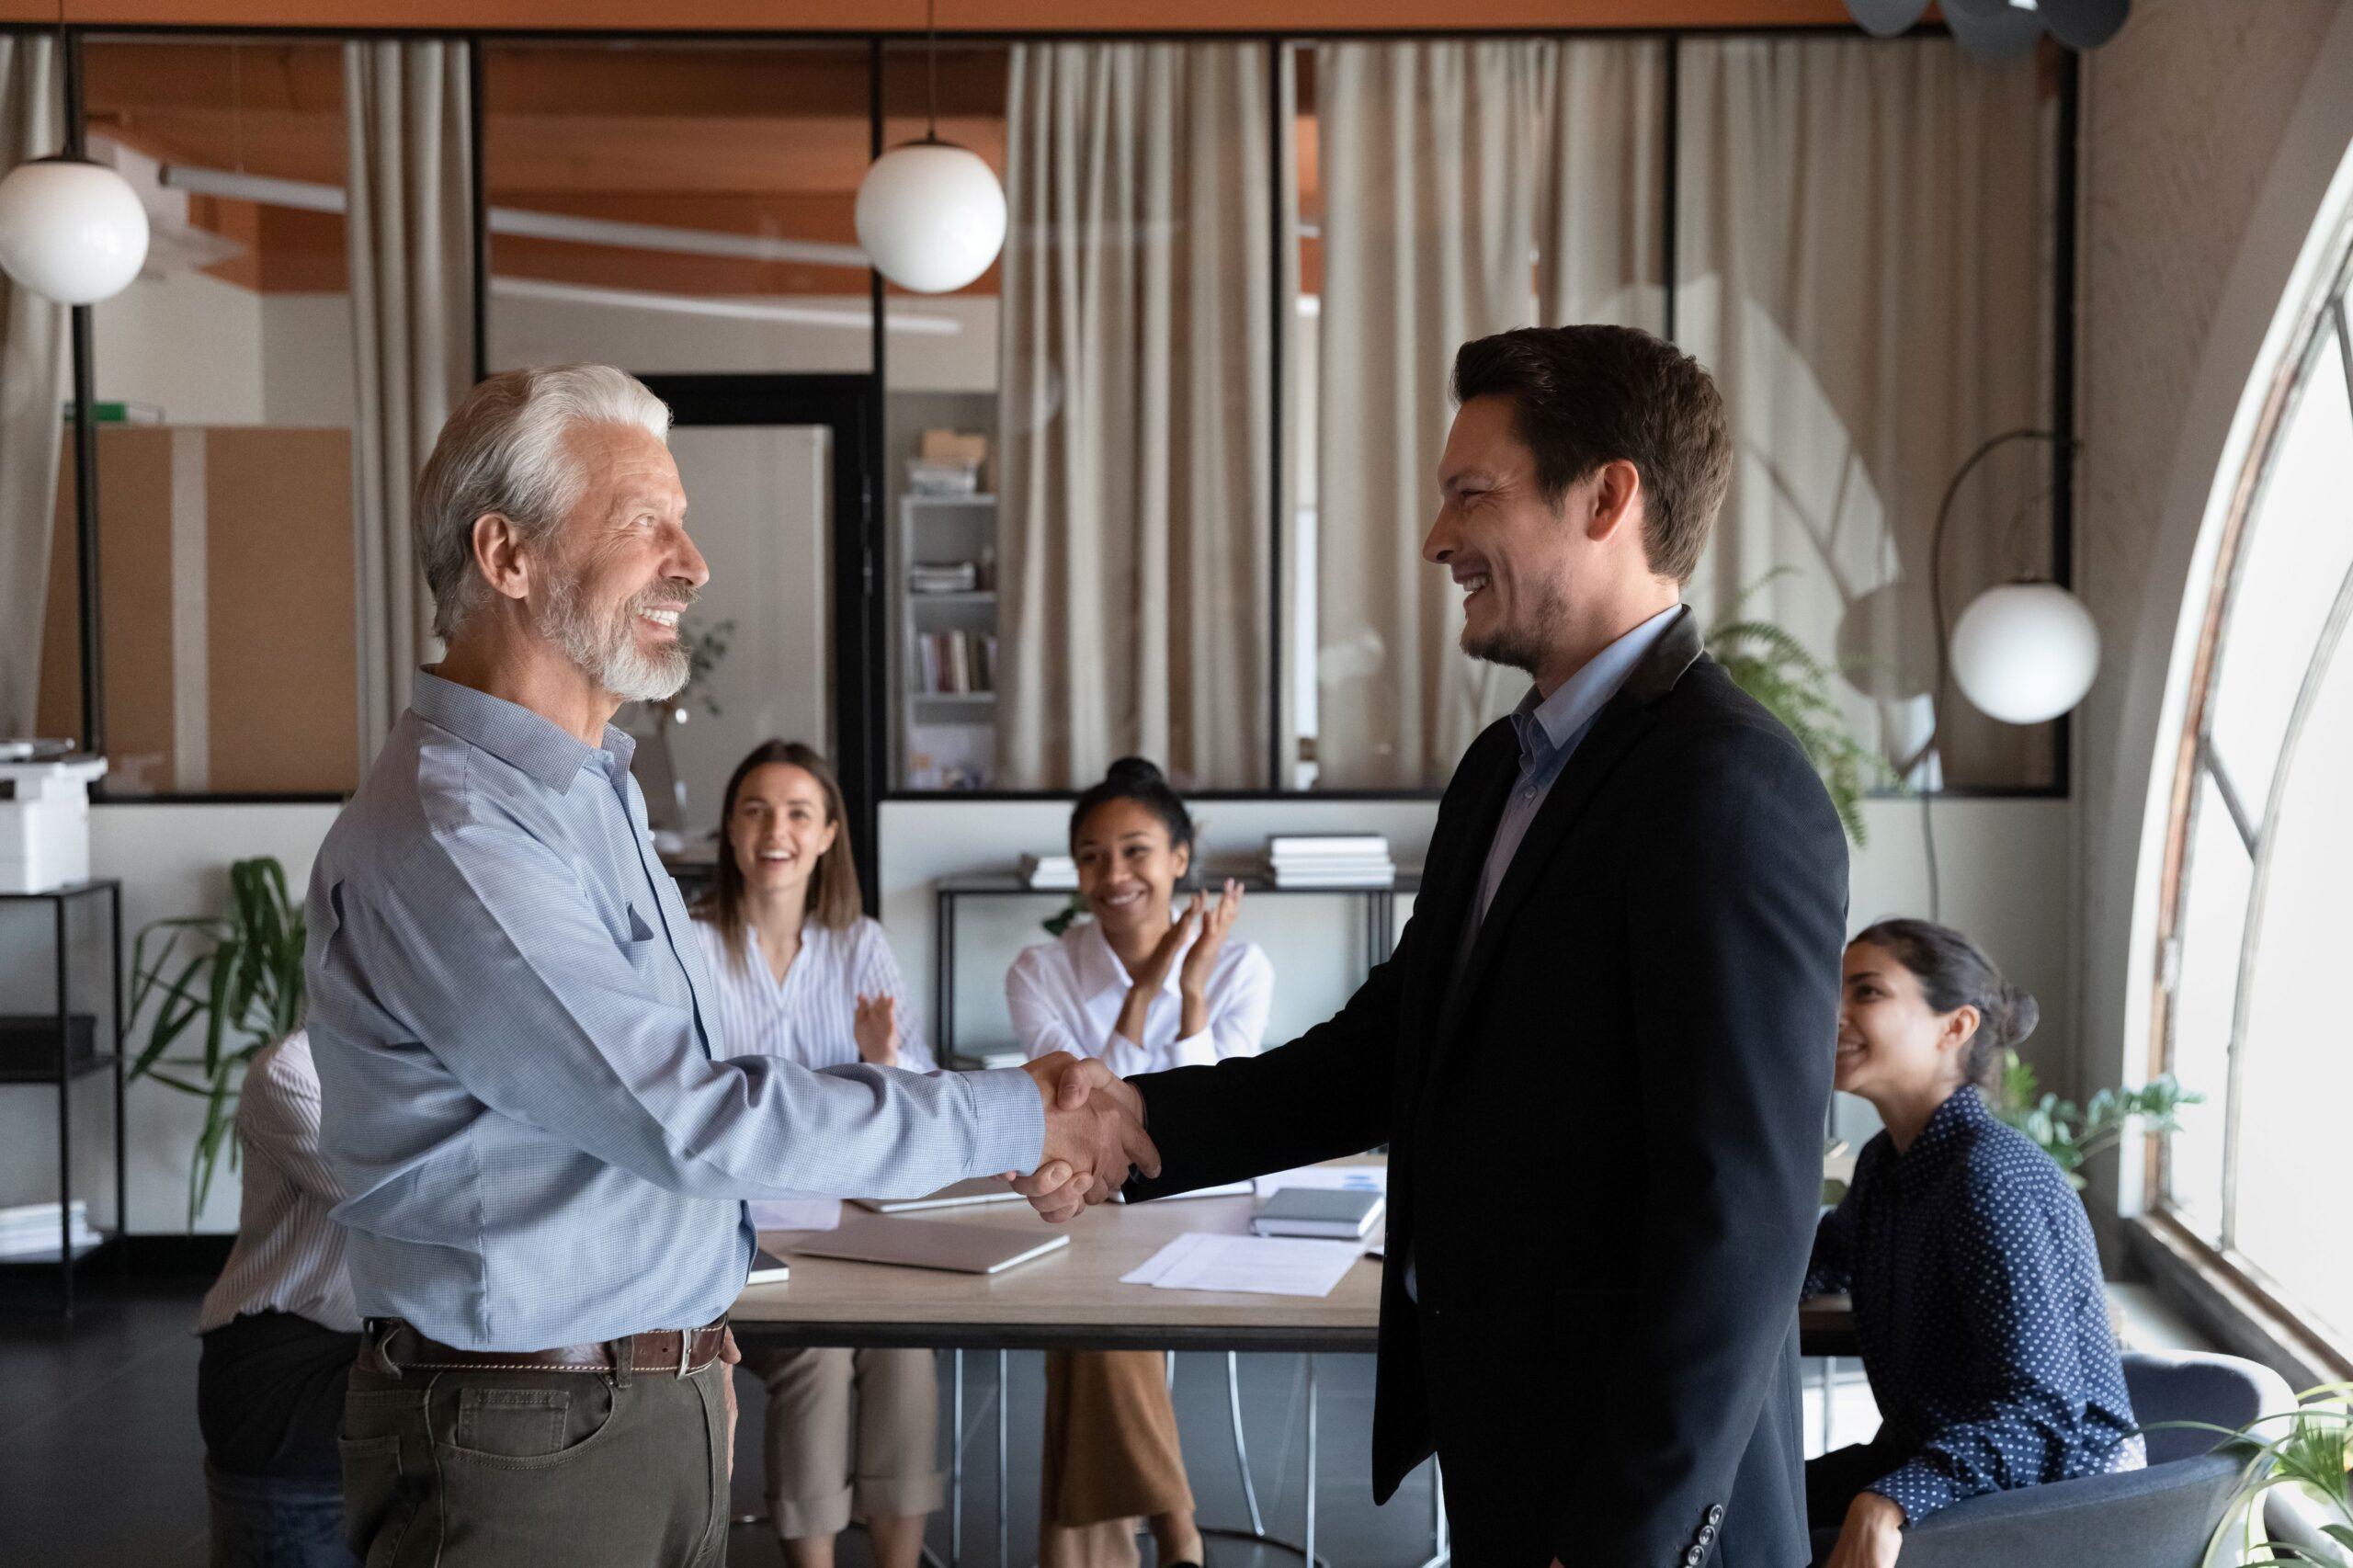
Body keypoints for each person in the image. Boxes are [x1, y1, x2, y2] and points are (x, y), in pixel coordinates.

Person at [1017, 324, 1851, 1567]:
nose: (1436, 538)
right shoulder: (1503, 772)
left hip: (1642, 1521)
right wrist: (1137, 1121)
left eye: (1473, 493)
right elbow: (1386, 1049)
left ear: (1608, 496)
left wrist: (1623, 1542)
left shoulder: (1730, 786)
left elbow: (1743, 1217)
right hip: (1515, 1460)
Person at [304, 363, 1154, 1568]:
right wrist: (1021, 1117)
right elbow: (689, 1115)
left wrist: (689, 1346)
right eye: (645, 521)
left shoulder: (591, 794)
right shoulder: (458, 834)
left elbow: (686, 1109)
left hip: (640, 1400)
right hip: (525, 1437)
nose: (693, 563)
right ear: (508, 556)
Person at [1802, 919, 2144, 1568]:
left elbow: (2042, 1416)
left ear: (1954, 1027)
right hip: (1949, 1468)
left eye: (1866, 992)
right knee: (1737, 1500)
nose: (1834, 1011)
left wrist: (1887, 1501)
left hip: (2063, 1507)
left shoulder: (1992, 1175)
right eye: (1834, 989)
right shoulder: (1887, 1164)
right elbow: (1816, 1264)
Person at [1006, 756, 1274, 1568]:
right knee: (1094, 1319)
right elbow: (1075, 1119)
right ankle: (1177, 1535)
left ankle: (1140, 1539)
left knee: (1091, 1327)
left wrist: (1190, 994)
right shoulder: (1040, 970)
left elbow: (1223, 1137)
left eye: (1135, 851)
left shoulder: (1239, 969)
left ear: (1180, 859)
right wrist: (1143, 996)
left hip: (1213, 1216)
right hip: (1089, 1212)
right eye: (1092, 855)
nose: (1113, 874)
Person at [688, 739, 942, 1568]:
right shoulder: (691, 946)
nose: (776, 829)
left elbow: (919, 1092)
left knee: (900, 1345)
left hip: (845, 1222)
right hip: (732, 1233)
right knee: (820, 1353)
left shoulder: (859, 944)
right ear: (729, 829)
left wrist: (883, 1060)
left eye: (799, 812)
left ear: (829, 833)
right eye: (756, 809)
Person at [195, 1030, 360, 1568]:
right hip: (288, 1365)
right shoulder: (291, 1071)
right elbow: (394, 1202)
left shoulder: (458, 1057)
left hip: (387, 1359)